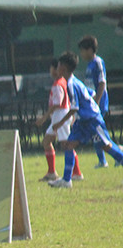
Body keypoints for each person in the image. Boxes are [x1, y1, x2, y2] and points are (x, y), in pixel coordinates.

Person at [48, 51, 123, 188]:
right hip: (83, 121)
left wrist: (60, 122)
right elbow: (89, 94)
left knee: (106, 146)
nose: (56, 68)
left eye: (58, 66)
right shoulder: (73, 81)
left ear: (63, 68)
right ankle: (66, 180)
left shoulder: (70, 84)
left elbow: (75, 108)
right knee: (68, 145)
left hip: (92, 120)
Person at [37, 59, 82, 182]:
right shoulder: (60, 82)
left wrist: (44, 117)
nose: (52, 71)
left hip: (61, 116)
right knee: (46, 141)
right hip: (58, 116)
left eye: (53, 68)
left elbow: (56, 104)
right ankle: (51, 172)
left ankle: (77, 172)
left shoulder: (58, 84)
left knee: (66, 145)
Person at [78, 35, 112, 168]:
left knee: (98, 131)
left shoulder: (97, 62)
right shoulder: (89, 64)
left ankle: (113, 154)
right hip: (92, 103)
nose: (81, 54)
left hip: (99, 102)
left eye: (82, 50)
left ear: (90, 50)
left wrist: (97, 101)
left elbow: (102, 83)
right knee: (97, 131)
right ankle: (104, 159)